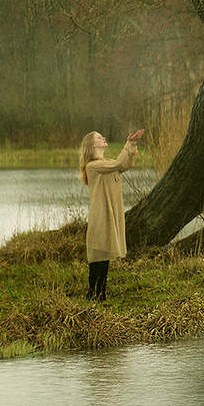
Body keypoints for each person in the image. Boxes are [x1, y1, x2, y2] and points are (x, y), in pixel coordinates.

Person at [78, 128, 144, 300]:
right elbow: (117, 164)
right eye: (99, 137)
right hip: (101, 214)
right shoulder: (93, 166)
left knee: (105, 253)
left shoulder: (105, 162)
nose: (104, 138)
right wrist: (127, 144)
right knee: (99, 254)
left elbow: (124, 164)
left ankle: (101, 293)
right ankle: (93, 293)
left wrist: (133, 144)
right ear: (91, 145)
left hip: (110, 212)